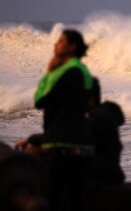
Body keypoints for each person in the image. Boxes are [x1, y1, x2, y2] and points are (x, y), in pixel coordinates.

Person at [15, 29, 94, 211]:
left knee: (56, 199)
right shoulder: (82, 71)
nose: (55, 44)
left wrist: (50, 71)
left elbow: (41, 100)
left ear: (72, 47)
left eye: (61, 41)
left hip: (63, 146)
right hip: (80, 144)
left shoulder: (68, 72)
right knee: (74, 200)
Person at [86, 78, 125, 186]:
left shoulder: (97, 119)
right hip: (113, 175)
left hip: (102, 179)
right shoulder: (105, 113)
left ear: (90, 99)